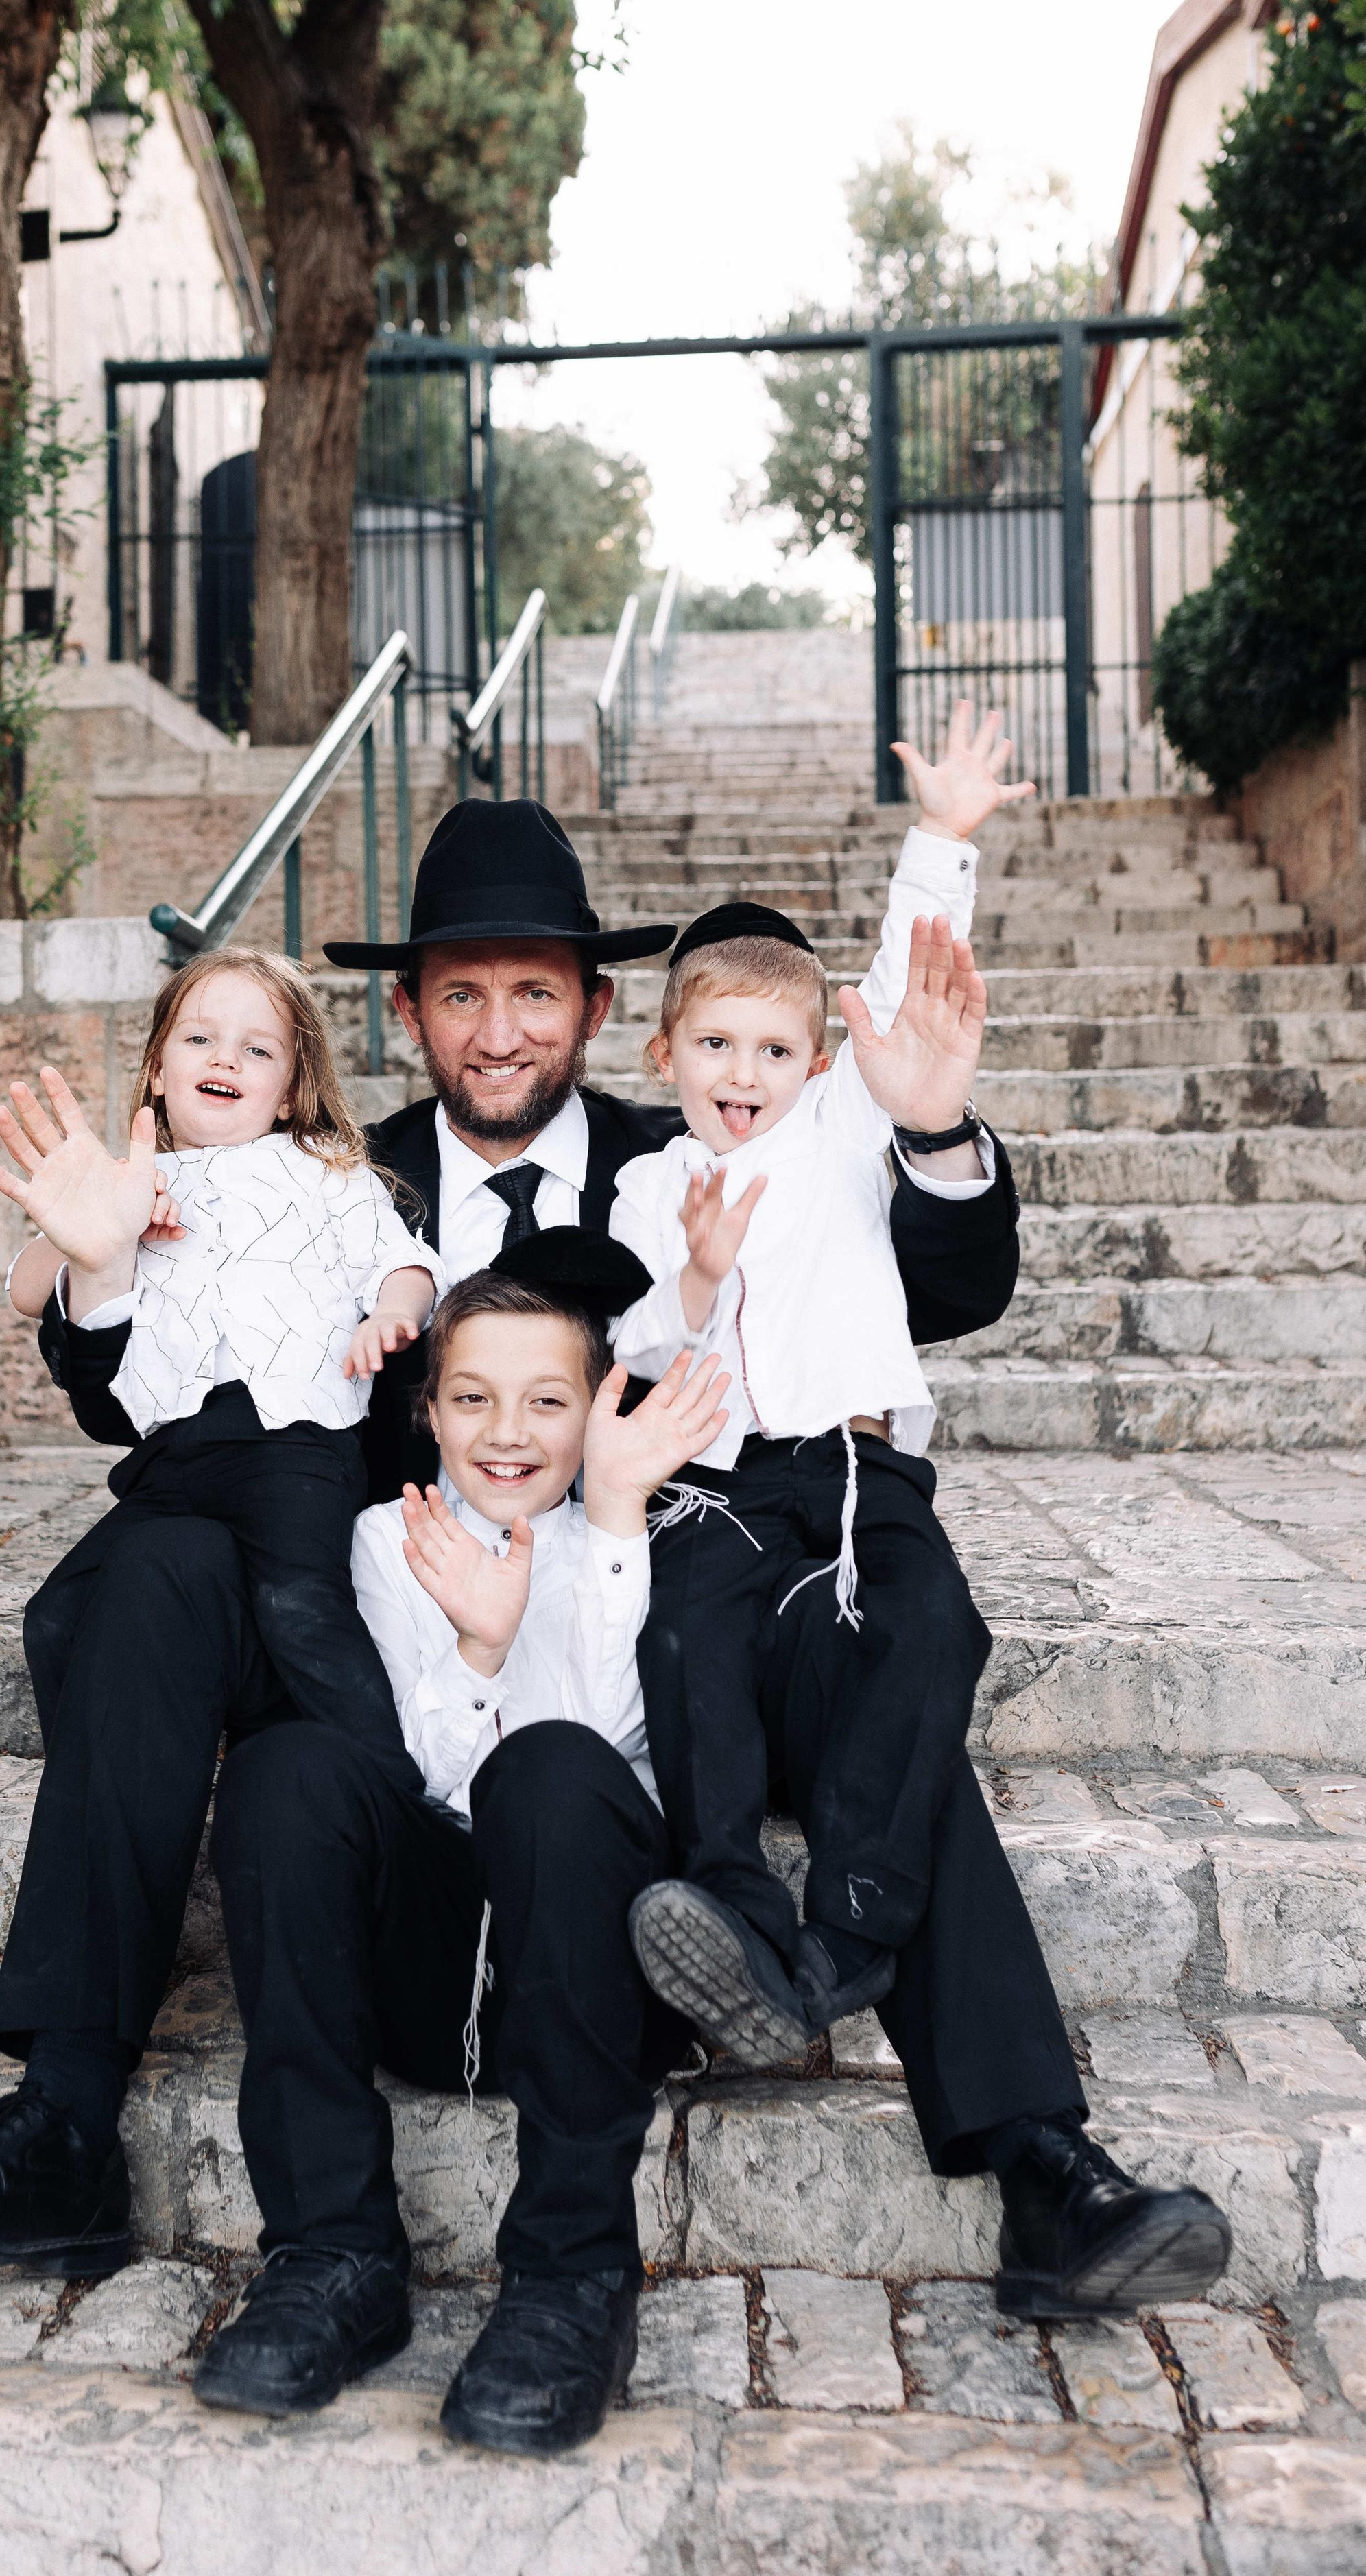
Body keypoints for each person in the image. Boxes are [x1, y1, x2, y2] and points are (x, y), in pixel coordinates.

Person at [0, 789, 1033, 2305]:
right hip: (356, 1609)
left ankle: (1039, 2155)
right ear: (406, 1011)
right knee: (146, 1572)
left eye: (536, 992)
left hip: (650, 1611)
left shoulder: (707, 1145)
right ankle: (65, 2116)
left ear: (599, 1010)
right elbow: (122, 1391)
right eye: (462, 994)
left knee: (878, 1661)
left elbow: (938, 1283)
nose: (502, 1030)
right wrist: (93, 1257)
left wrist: (925, 1129)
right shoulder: (324, 1162)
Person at [610, 705, 1232, 2318]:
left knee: (927, 1636)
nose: (740, 1073)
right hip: (712, 1497)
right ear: (658, 1054)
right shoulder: (632, 1185)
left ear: (813, 1064)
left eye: (772, 1047)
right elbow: (629, 1348)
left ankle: (838, 1952)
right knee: (702, 1647)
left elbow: (907, 993)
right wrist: (690, 1278)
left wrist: (942, 834)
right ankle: (1028, 2157)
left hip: (863, 1483)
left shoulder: (844, 1124)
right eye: (710, 1046)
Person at [0, 946, 438, 2274]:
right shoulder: (129, 1183)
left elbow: (405, 1269)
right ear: (156, 1062)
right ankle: (61, 2122)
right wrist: (82, 1242)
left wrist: (391, 1320)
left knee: (265, 1627)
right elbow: (67, 1318)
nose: (222, 1059)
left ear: (296, 1087)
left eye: (257, 1047)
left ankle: (409, 1851)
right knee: (100, 1607)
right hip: (177, 1475)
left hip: (300, 1476)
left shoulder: (335, 1184)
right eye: (196, 1037)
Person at [189, 1233, 727, 2453]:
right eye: (473, 1398)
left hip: (595, 1986)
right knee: (288, 1767)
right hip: (437, 1969)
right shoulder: (394, 1541)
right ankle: (332, 2249)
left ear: (602, 1407)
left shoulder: (638, 1540)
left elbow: (594, 1774)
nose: (509, 1430)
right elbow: (422, 1773)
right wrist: (481, 1649)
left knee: (551, 1765)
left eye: (548, 1401)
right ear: (427, 1411)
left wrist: (608, 1522)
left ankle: (570, 2278)